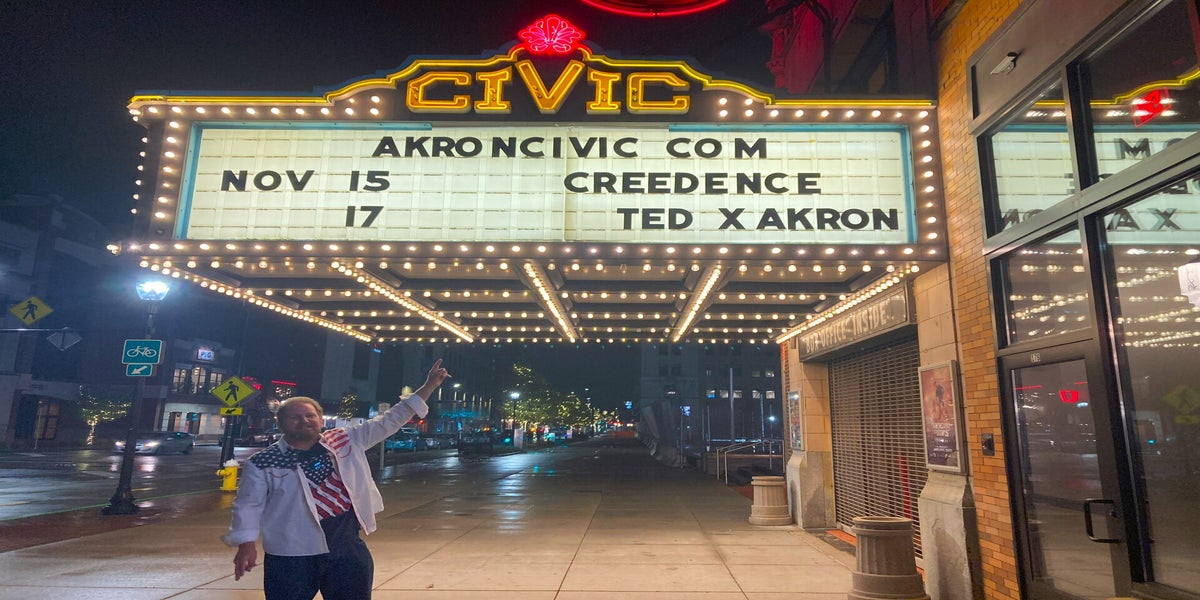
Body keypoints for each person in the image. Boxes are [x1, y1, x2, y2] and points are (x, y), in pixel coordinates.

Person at [223, 359, 450, 599]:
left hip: (346, 549)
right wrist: (246, 544)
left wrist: (429, 385)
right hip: (290, 555)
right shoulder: (263, 462)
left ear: (321, 420)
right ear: (279, 423)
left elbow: (391, 419)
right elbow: (248, 505)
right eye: (295, 417)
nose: (304, 421)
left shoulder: (344, 440)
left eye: (310, 415)